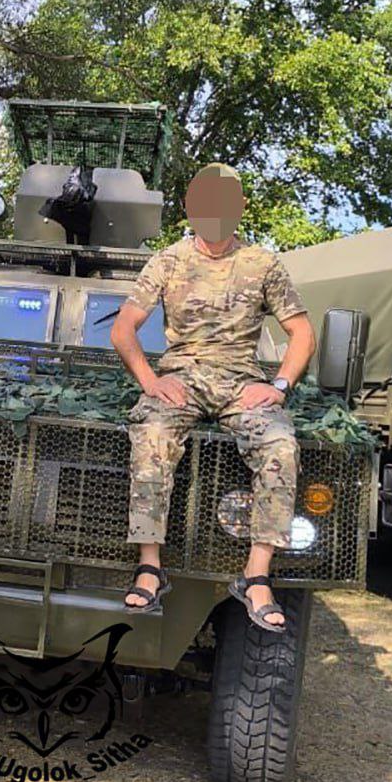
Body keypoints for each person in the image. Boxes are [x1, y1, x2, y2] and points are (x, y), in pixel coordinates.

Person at [110, 162, 315, 632]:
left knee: (281, 445)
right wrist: (149, 380)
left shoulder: (262, 263)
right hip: (180, 377)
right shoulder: (168, 261)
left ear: (240, 208)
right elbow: (123, 329)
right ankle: (149, 566)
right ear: (190, 207)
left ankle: (256, 576)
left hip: (242, 383)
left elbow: (302, 332)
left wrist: (279, 385)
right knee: (153, 434)